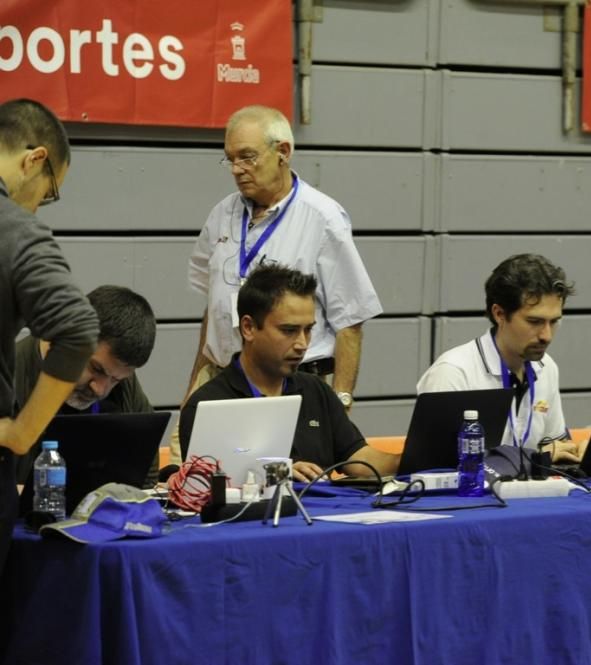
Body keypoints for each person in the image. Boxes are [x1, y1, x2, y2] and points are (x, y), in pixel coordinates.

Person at [180, 105, 382, 463]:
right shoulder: (222, 214)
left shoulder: (322, 218)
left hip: (290, 385)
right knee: (196, 486)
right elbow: (213, 309)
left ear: (283, 152)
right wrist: (194, 384)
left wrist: (341, 404)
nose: (237, 170)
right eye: (230, 160)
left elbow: (350, 321)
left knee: (285, 489)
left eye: (247, 157)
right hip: (221, 382)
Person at [179, 265, 398, 482]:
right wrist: (277, 472)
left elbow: (358, 458)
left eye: (308, 330)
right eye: (289, 331)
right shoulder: (207, 405)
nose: (302, 344)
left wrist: (411, 459)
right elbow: (208, 488)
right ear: (249, 328)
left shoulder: (316, 390)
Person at [0, 98, 99, 566]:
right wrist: (22, 434)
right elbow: (78, 329)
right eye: (50, 191)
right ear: (34, 159)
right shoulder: (15, 232)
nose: (40, 205)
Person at [417, 254, 582, 463]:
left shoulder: (547, 367)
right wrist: (537, 458)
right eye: (534, 321)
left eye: (554, 322)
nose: (546, 335)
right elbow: (435, 466)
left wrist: (575, 452)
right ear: (499, 314)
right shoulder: (453, 372)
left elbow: (554, 447)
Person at [13, 286, 159, 487]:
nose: (101, 390)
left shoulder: (120, 381)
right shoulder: (8, 377)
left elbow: (145, 477)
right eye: (95, 369)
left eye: (116, 380)